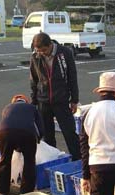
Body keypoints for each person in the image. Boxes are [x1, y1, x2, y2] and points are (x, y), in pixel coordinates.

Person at [30, 32, 81, 161]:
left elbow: (72, 77)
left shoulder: (65, 53)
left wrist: (74, 100)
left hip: (62, 100)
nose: (41, 53)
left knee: (70, 133)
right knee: (47, 136)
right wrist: (34, 101)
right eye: (38, 50)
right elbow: (34, 80)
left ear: (50, 45)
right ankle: (52, 161)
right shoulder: (35, 57)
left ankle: (78, 160)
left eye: (44, 50)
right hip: (43, 101)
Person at [0, 94, 43, 195]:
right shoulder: (32, 108)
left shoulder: (7, 108)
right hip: (26, 133)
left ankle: (1, 190)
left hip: (4, 132)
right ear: (26, 101)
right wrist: (38, 139)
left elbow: (6, 123)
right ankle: (26, 191)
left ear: (13, 102)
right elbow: (40, 126)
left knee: (4, 159)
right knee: (29, 161)